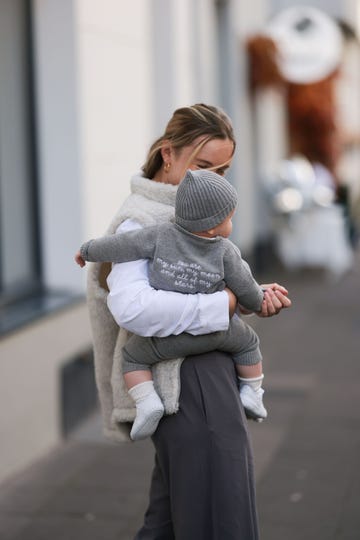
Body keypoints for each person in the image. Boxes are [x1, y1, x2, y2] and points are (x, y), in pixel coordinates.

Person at [85, 103, 291, 539]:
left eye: (223, 170)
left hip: (203, 373)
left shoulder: (192, 214)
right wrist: (225, 304)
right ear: (167, 154)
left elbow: (209, 276)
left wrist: (253, 293)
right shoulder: (142, 221)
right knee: (220, 514)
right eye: (203, 165)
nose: (213, 180)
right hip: (184, 380)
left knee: (171, 518)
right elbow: (133, 309)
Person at [76, 169, 275, 440]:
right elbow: (247, 290)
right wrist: (260, 300)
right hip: (221, 332)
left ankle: (147, 402)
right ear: (213, 225)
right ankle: (252, 392)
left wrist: (87, 250)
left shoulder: (158, 235)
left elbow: (120, 246)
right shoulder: (226, 251)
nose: (231, 224)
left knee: (133, 356)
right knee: (250, 343)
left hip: (171, 339)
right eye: (230, 218)